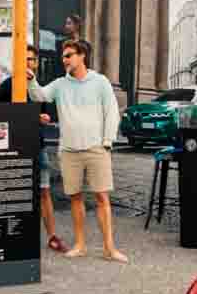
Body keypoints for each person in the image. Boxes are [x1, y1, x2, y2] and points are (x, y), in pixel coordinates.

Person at [28, 39, 127, 263]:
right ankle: (80, 245)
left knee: (102, 197)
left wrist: (107, 142)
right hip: (69, 150)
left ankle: (109, 248)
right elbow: (39, 96)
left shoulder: (100, 82)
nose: (65, 60)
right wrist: (32, 81)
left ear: (82, 56)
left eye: (69, 55)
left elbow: (112, 112)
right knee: (75, 198)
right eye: (64, 56)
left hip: (96, 148)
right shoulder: (61, 84)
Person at [0, 44, 67, 252]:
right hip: (14, 148)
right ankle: (11, 238)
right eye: (25, 59)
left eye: (32, 59)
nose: (29, 63)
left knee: (44, 192)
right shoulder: (7, 86)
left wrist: (44, 118)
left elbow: (44, 112)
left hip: (37, 145)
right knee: (12, 194)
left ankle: (53, 236)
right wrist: (32, 116)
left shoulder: (39, 86)